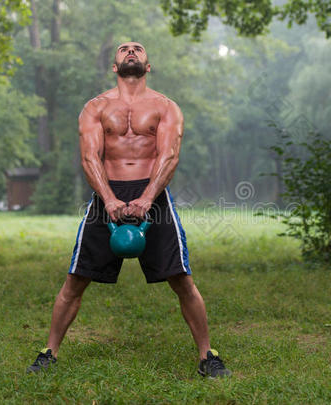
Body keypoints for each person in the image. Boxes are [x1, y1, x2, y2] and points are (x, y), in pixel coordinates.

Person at [27, 41, 231, 378]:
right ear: (114, 65)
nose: (131, 51)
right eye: (124, 49)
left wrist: (148, 198)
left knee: (182, 279)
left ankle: (207, 355)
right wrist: (108, 200)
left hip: (154, 194)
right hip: (107, 192)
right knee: (75, 280)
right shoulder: (96, 107)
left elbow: (169, 156)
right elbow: (90, 157)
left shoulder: (166, 107)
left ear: (148, 66)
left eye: (138, 49)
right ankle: (49, 352)